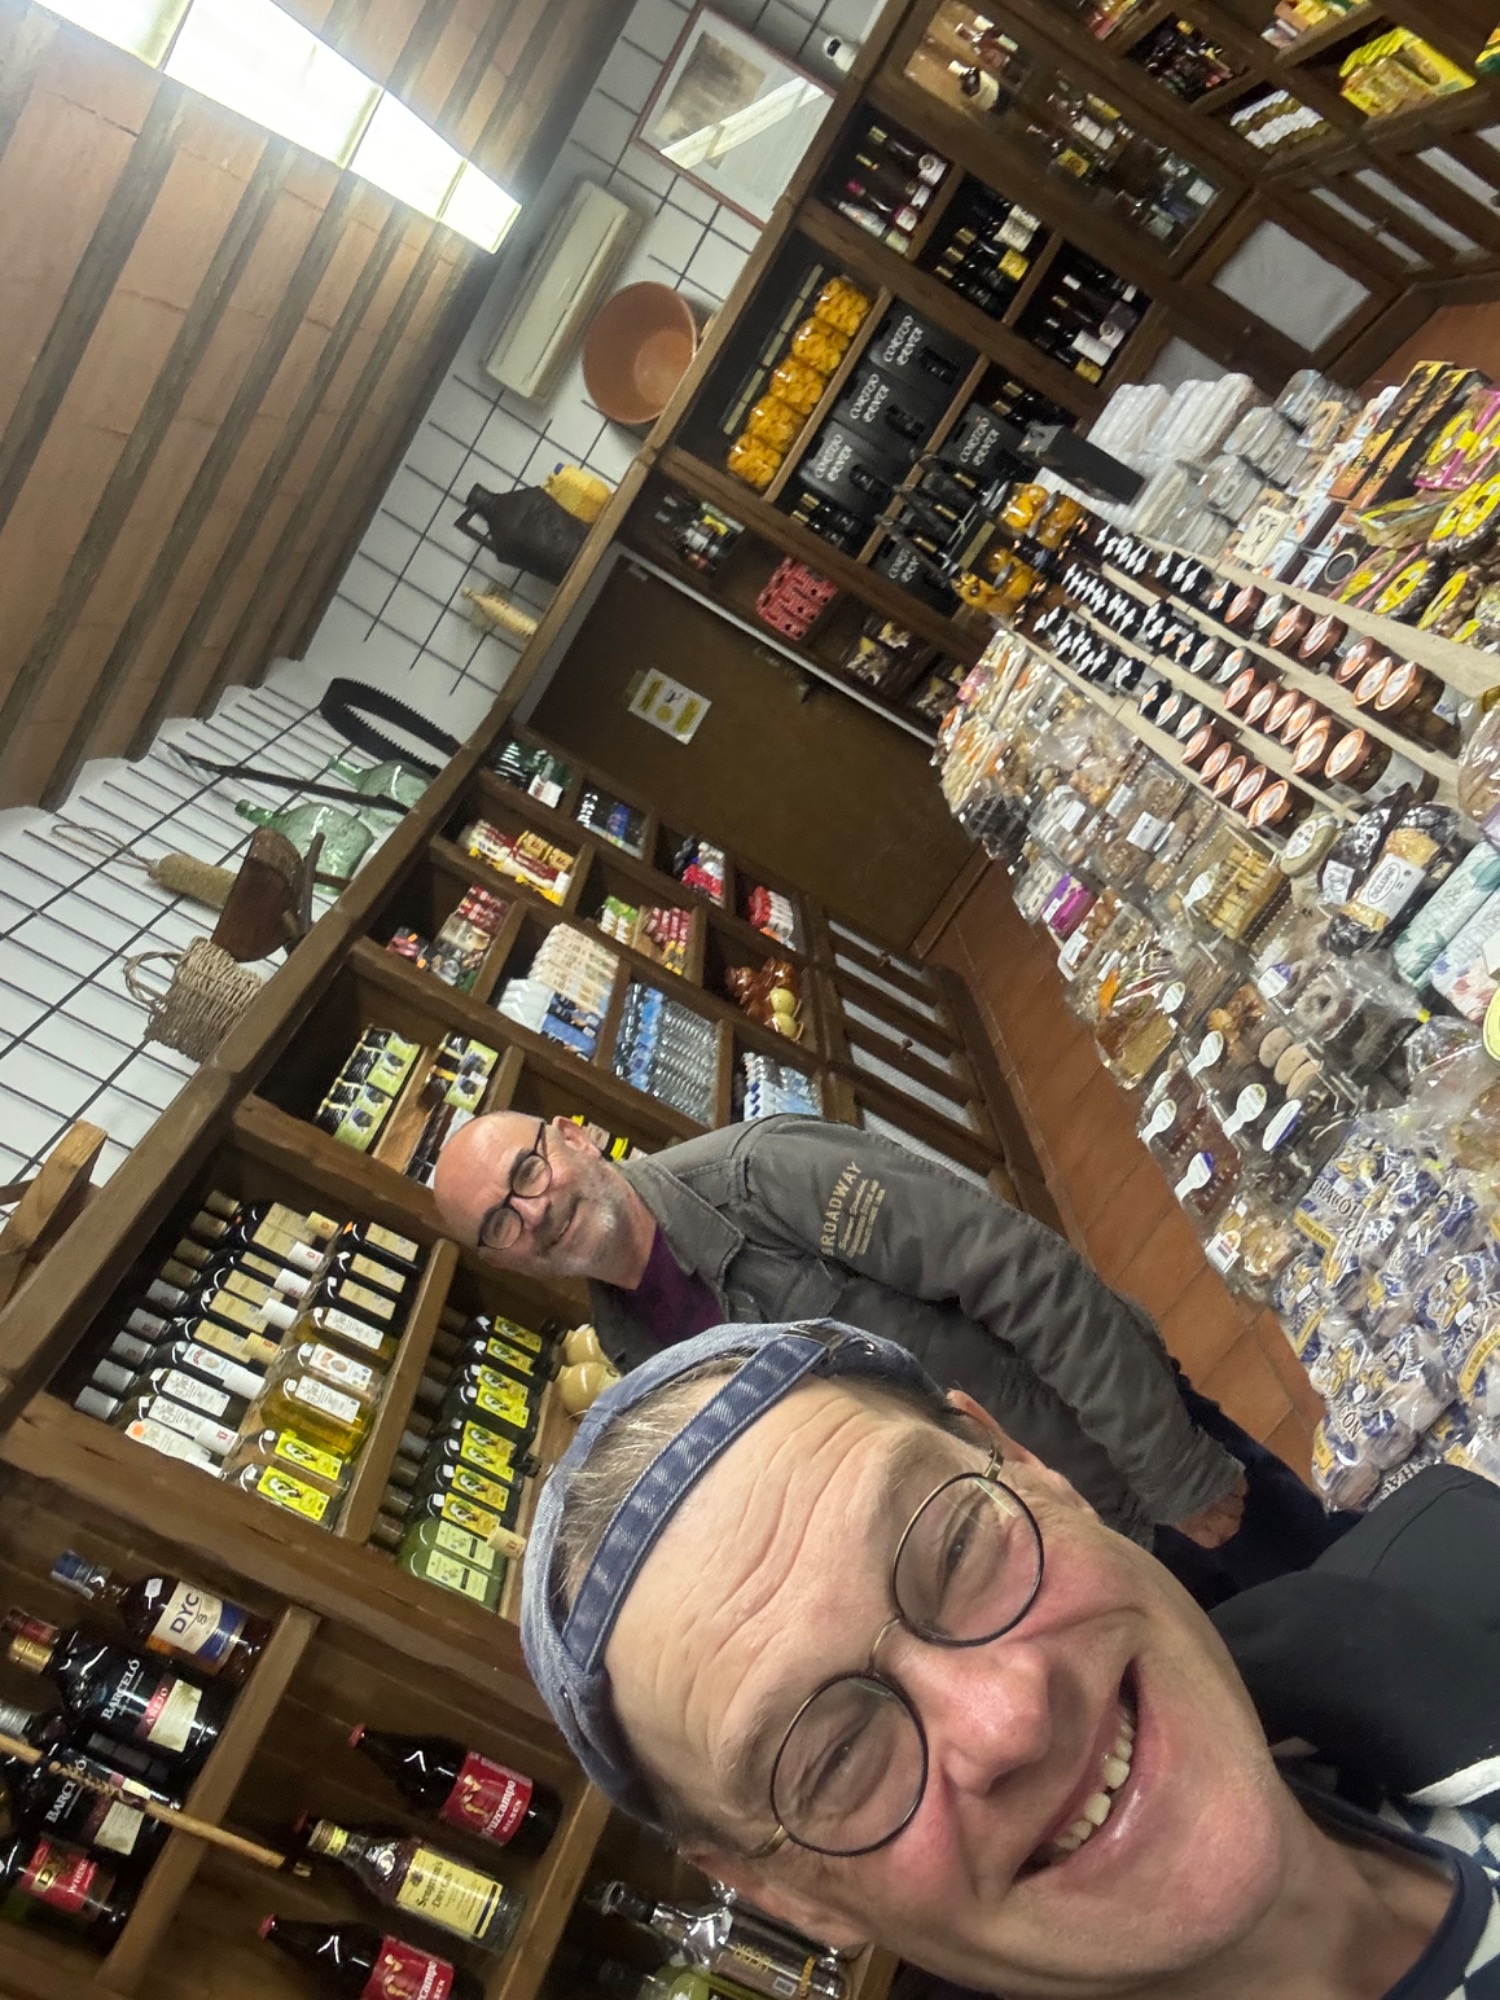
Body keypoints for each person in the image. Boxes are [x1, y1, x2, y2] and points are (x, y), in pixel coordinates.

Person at [520, 1321, 1500, 2000]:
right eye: (835, 1756)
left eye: (957, 1550)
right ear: (786, 1893)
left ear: (1033, 1469)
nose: (1008, 1719)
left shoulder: (1454, 1558)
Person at [434, 1110, 1347, 1589]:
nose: (532, 1212)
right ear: (501, 1259)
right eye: (498, 1224)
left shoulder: (760, 1175)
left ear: (573, 1137)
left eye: (527, 1171)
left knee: (1345, 1609)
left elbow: (1017, 1270)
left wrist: (1171, 1469)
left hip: (1128, 1474)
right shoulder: (635, 1351)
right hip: (1031, 1550)